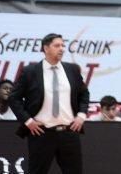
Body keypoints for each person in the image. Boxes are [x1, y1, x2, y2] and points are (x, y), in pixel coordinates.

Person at [9, 33, 90, 174]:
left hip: (69, 132)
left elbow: (84, 93)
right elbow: (14, 98)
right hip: (42, 133)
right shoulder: (30, 72)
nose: (62, 49)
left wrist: (82, 115)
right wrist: (28, 121)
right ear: (46, 48)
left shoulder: (72, 69)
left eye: (63, 45)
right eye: (57, 45)